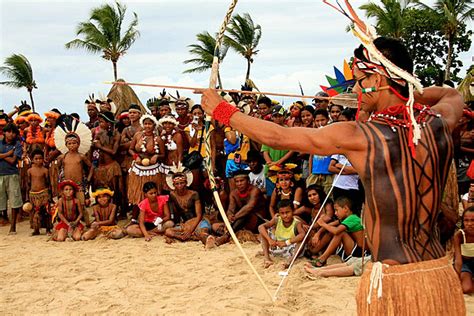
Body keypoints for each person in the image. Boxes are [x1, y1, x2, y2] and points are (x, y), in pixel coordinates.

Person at [201, 35, 465, 314]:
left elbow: (279, 136)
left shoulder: (362, 136)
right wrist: (404, 91)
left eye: (361, 79)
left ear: (379, 79)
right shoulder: (439, 122)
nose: (356, 87)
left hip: (395, 280)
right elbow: (451, 94)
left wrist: (221, 109)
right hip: (438, 273)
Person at [206, 170, 267, 248]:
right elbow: (231, 209)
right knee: (214, 226)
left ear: (248, 181)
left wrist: (234, 218)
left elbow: (249, 207)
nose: (239, 184)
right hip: (238, 223)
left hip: (256, 221)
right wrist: (229, 216)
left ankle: (226, 236)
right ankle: (231, 233)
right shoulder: (234, 193)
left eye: (242, 181)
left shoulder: (255, 191)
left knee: (245, 215)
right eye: (237, 181)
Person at [309, 196, 367, 267]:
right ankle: (315, 251)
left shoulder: (353, 218)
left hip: (359, 252)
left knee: (340, 233)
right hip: (353, 248)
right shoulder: (345, 219)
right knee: (331, 230)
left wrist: (323, 223)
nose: (335, 213)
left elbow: (336, 231)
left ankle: (322, 258)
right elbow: (330, 225)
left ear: (345, 209)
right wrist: (318, 233)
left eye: (336, 210)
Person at [164, 169, 209, 242]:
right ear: (173, 185)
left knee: (203, 232)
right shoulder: (172, 195)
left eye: (182, 183)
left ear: (186, 183)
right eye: (177, 184)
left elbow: (199, 215)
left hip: (198, 221)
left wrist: (191, 230)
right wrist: (181, 225)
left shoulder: (194, 194)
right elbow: (176, 213)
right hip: (185, 224)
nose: (179, 186)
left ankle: (194, 236)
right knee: (168, 231)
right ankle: (189, 237)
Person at [259, 199, 305, 268]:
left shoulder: (297, 222)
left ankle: (290, 261)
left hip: (290, 249)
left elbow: (302, 234)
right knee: (264, 233)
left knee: (302, 240)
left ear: (293, 211)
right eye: (282, 213)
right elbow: (261, 227)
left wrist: (286, 243)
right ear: (279, 213)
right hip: (277, 247)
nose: (285, 215)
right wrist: (269, 240)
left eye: (287, 212)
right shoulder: (277, 219)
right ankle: (267, 258)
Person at [91, 111, 122, 213]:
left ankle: (116, 211)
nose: (100, 124)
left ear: (109, 123)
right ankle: (102, 213)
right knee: (101, 191)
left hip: (111, 167)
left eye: (102, 122)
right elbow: (94, 150)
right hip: (100, 167)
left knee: (114, 191)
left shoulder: (116, 134)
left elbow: (113, 151)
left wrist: (100, 147)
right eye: (99, 122)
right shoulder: (99, 134)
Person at [0, 123, 23, 233]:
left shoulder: (17, 144)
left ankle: (13, 226)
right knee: (1, 200)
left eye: (14, 132)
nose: (11, 134)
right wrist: (8, 153)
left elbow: (13, 161)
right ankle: (3, 219)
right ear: (4, 132)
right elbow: (10, 157)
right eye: (9, 132)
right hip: (0, 174)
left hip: (12, 174)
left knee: (14, 200)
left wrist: (1, 156)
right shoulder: (0, 143)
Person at [27, 149, 52, 235]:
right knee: (34, 212)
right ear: (32, 160)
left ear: (43, 159)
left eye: (40, 158)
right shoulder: (29, 171)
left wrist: (50, 196)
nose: (38, 160)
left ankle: (48, 229)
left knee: (46, 212)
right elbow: (28, 183)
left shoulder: (45, 170)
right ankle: (36, 229)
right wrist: (27, 197)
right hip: (33, 195)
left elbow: (48, 183)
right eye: (36, 159)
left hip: (44, 194)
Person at [454, 206, 474, 294]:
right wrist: (457, 279)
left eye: (473, 220)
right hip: (465, 264)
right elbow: (458, 261)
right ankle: (468, 279)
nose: (469, 224)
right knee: (467, 289)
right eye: (466, 220)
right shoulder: (459, 235)